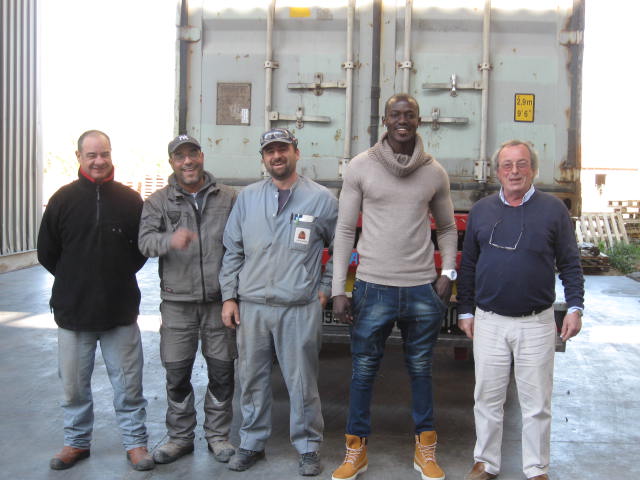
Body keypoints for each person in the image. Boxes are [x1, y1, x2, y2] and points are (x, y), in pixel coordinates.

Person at [331, 94, 457, 480]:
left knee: (421, 371)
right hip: (372, 288)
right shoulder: (360, 167)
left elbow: (448, 229)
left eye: (409, 115)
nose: (402, 120)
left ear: (420, 121)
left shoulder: (434, 172)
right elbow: (345, 230)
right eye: (395, 114)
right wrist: (339, 288)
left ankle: (425, 451)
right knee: (364, 371)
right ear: (384, 120)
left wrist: (447, 273)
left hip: (421, 289)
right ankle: (356, 452)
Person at [456, 140, 584, 480]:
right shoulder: (481, 211)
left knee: (537, 404)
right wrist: (465, 310)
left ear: (533, 169)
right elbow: (468, 264)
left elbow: (570, 263)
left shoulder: (554, 210)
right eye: (508, 165)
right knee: (486, 399)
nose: (515, 171)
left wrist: (574, 307)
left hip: (536, 323)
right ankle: (485, 463)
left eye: (522, 164)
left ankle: (537, 468)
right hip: (490, 321)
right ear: (498, 171)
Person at [219, 128, 338, 476]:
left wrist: (326, 287)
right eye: (269, 151)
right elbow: (233, 250)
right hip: (252, 305)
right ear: (263, 158)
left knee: (302, 381)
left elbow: (341, 247)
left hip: (299, 306)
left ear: (296, 153)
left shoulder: (321, 200)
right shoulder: (248, 198)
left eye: (282, 149)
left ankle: (308, 446)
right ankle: (252, 442)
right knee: (252, 378)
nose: (276, 156)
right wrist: (229, 296)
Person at [37, 130, 153, 471]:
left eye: (103, 153)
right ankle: (76, 442)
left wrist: (113, 276)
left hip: (120, 311)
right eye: (91, 155)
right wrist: (77, 279)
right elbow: (47, 252)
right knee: (73, 387)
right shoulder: (62, 200)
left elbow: (140, 252)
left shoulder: (131, 201)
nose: (98, 160)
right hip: (74, 312)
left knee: (129, 385)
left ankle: (136, 444)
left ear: (111, 154)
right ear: (79, 158)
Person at [138, 134, 238, 465]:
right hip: (178, 303)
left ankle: (217, 435)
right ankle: (180, 437)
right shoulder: (158, 202)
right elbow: (145, 243)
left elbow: (240, 245)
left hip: (217, 303)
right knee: (176, 372)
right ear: (172, 163)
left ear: (202, 156)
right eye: (180, 157)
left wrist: (233, 294)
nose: (188, 161)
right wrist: (170, 239)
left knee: (222, 371)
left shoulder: (228, 198)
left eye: (192, 154)